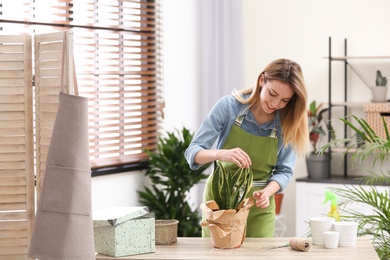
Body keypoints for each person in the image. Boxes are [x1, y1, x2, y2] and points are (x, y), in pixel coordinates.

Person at [185, 58, 310, 237]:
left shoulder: (287, 122)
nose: (275, 104)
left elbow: (284, 171)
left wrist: (267, 193)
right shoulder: (228, 107)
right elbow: (193, 152)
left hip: (259, 207)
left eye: (284, 100)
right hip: (221, 203)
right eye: (272, 94)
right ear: (261, 81)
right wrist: (221, 154)